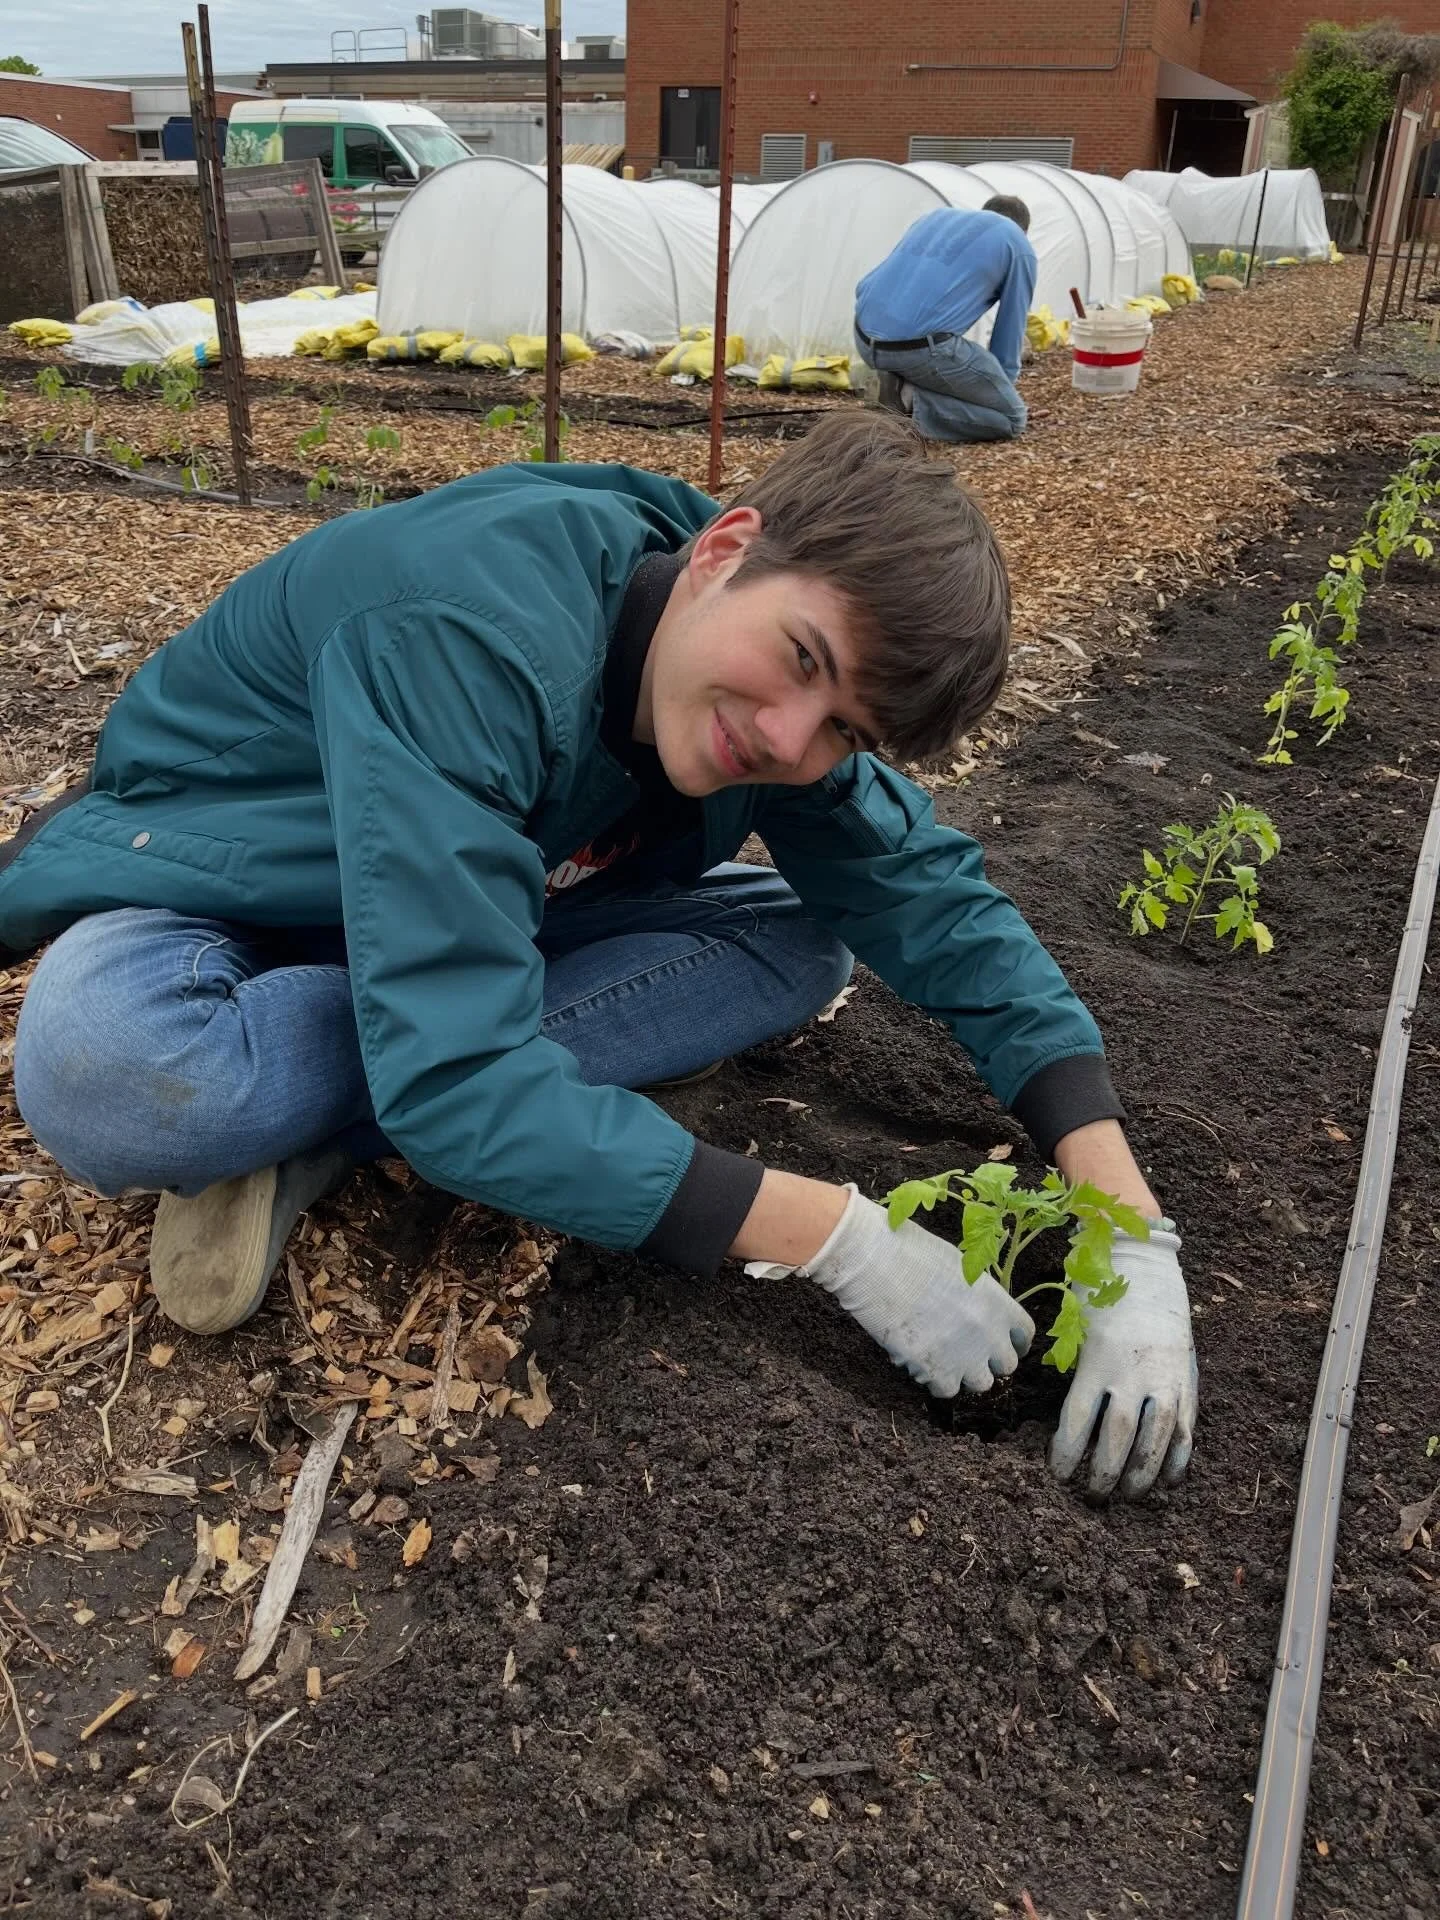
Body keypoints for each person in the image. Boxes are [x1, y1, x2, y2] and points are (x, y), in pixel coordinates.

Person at [0, 414, 1195, 1500]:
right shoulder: (475, 626)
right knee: (109, 1070)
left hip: (472, 906)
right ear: (727, 547)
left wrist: (1127, 1222)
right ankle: (395, 1080)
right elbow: (460, 1080)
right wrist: (839, 1239)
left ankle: (344, 1104)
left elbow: (926, 895)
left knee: (801, 937)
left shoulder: (739, 677)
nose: (786, 738)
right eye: (802, 660)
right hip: (229, 881)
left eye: (845, 732)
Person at [855, 195, 1037, 444]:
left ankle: (892, 380)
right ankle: (909, 401)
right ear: (1023, 231)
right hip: (918, 350)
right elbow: (1010, 330)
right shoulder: (1017, 243)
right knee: (1012, 418)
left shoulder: (935, 218)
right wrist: (1003, 395)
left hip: (864, 335)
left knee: (948, 362)